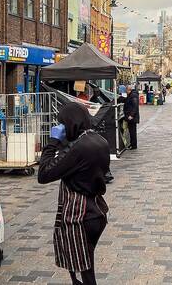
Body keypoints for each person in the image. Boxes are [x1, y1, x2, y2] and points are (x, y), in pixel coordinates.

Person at [38, 103, 110, 285]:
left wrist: (53, 142)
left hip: (79, 217)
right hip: (96, 211)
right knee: (86, 268)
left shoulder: (78, 148)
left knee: (81, 274)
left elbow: (44, 174)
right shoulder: (99, 140)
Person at [123, 85, 140, 149]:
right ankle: (132, 144)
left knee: (132, 131)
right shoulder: (131, 95)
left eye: (126, 90)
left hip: (132, 117)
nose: (125, 92)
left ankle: (133, 145)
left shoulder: (133, 96)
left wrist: (131, 115)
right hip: (131, 116)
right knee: (131, 131)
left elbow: (135, 106)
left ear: (128, 90)